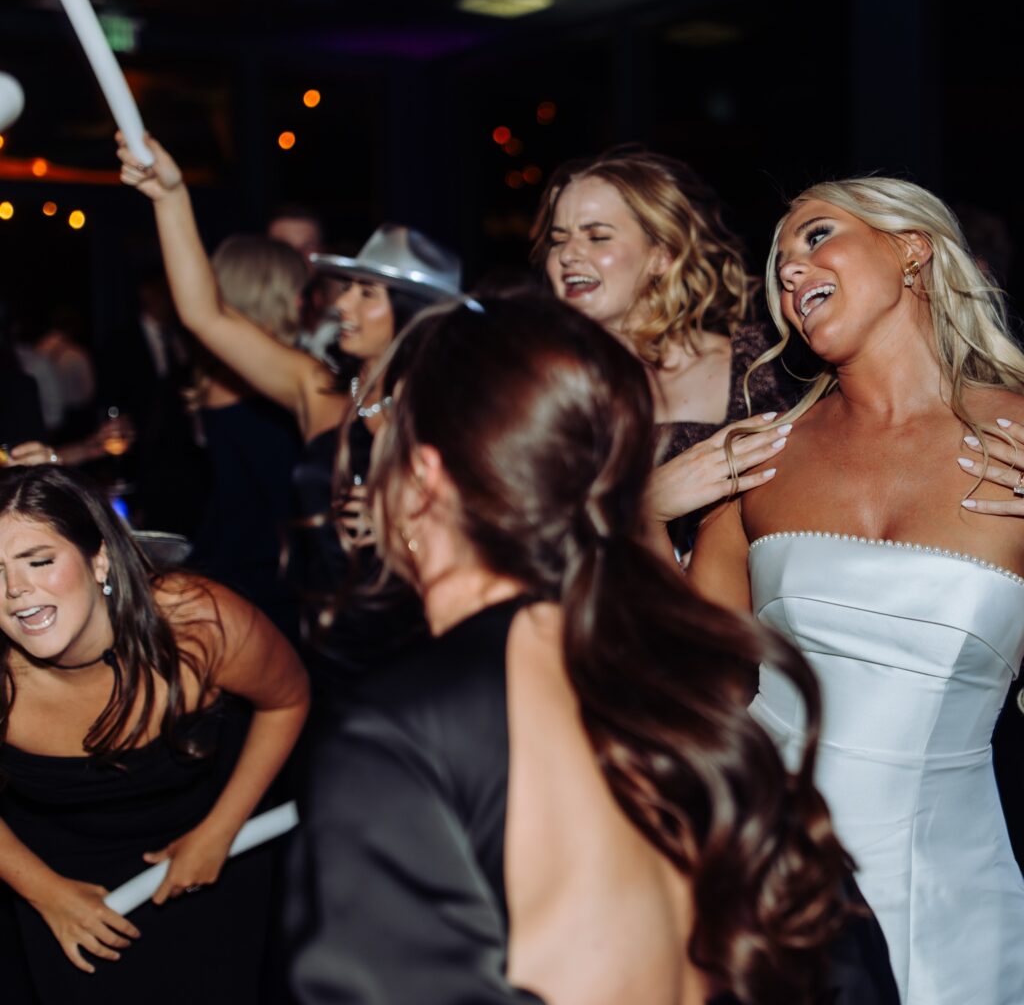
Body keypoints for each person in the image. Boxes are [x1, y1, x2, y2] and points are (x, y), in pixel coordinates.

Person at [287, 292, 897, 1005]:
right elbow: (841, 964)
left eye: (381, 439)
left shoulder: (398, 731)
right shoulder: (681, 687)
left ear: (424, 482)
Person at [688, 177, 1024, 1003]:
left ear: (913, 249)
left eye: (815, 237)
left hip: (945, 887)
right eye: (779, 265)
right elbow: (689, 689)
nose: (791, 273)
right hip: (760, 867)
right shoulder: (759, 457)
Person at [117, 134, 463, 673]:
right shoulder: (320, 389)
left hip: (415, 646)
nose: (341, 302)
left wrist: (405, 530)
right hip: (320, 641)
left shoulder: (451, 414)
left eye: (364, 293)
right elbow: (204, 314)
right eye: (345, 287)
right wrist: (171, 195)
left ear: (411, 313)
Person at [0, 465, 309, 1003]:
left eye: (40, 561)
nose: (14, 591)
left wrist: (221, 831)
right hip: (58, 877)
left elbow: (288, 699)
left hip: (215, 848)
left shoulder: (193, 621)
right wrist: (43, 892)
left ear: (98, 558)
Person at [531, 150, 798, 557]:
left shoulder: (766, 362)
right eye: (557, 239)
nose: (568, 255)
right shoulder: (535, 388)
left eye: (597, 235)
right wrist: (643, 506)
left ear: (662, 254)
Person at [186, 233, 306, 642]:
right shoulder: (264, 400)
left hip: (227, 579)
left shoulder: (216, 383)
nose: (302, 303)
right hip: (266, 595)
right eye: (295, 291)